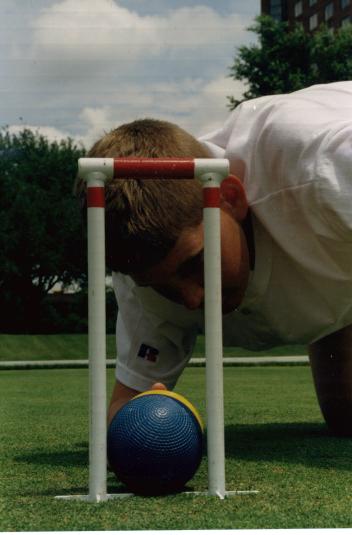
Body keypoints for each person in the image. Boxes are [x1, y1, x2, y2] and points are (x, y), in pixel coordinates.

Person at [76, 81, 352, 437]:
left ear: (229, 198)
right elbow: (127, 411)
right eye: (162, 287)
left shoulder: (319, 164)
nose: (192, 300)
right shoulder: (140, 278)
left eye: (195, 263)